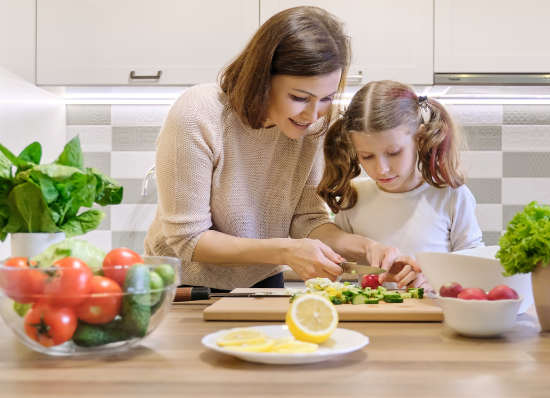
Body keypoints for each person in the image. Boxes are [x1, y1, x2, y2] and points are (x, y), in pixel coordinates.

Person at [144, 7, 421, 292]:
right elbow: (187, 238)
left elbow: (308, 219)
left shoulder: (313, 127)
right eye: (300, 97)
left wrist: (369, 249)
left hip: (263, 283)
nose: (313, 115)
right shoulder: (197, 115)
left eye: (326, 98)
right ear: (262, 78)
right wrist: (284, 250)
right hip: (183, 288)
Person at [318, 80, 484, 289]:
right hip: (371, 318)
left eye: (393, 153)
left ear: (420, 138)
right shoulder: (354, 197)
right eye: (367, 156)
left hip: (435, 315)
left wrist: (438, 280)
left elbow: (476, 262)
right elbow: (340, 263)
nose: (381, 169)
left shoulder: (451, 196)